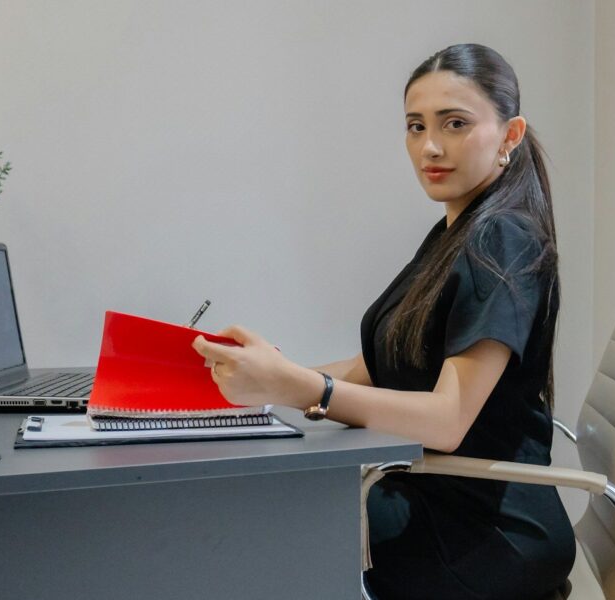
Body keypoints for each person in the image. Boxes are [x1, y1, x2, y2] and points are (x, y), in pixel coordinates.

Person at [192, 43, 575, 600]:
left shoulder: (502, 239)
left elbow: (447, 421)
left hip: (488, 532)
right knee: (264, 518)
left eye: (455, 124)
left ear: (510, 135)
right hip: (439, 499)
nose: (431, 146)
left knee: (258, 535)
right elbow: (378, 366)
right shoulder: (455, 233)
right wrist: (263, 381)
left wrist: (301, 388)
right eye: (415, 127)